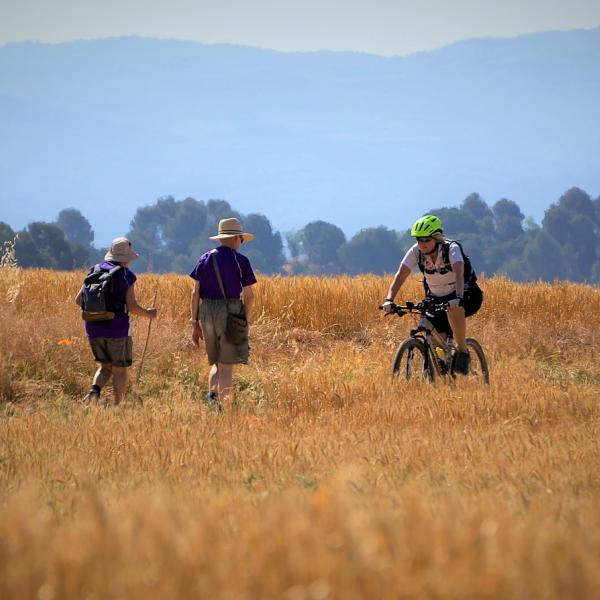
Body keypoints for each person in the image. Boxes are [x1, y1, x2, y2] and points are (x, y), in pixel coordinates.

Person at [382, 215, 483, 374]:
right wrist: (389, 299)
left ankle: (462, 350)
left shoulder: (451, 248)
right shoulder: (416, 251)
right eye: (419, 240)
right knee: (434, 333)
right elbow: (401, 274)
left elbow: (458, 272)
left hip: (465, 294)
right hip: (436, 297)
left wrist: (458, 297)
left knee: (453, 309)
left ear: (436, 237)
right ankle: (443, 369)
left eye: (426, 240)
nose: (422, 244)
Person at [75, 237, 157, 405]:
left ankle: (94, 391)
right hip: (117, 329)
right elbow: (132, 306)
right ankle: (117, 406)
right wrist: (148, 313)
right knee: (120, 369)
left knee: (105, 367)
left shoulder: (94, 270)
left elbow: (78, 300)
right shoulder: (126, 276)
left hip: (93, 328)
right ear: (127, 259)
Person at [189, 217, 257, 410]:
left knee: (216, 361)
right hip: (231, 310)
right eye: (241, 239)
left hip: (206, 311)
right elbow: (250, 296)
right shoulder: (240, 261)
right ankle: (224, 408)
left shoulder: (204, 258)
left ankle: (212, 397)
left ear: (220, 238)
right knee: (227, 365)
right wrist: (243, 317)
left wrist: (194, 322)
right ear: (236, 238)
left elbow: (195, 293)